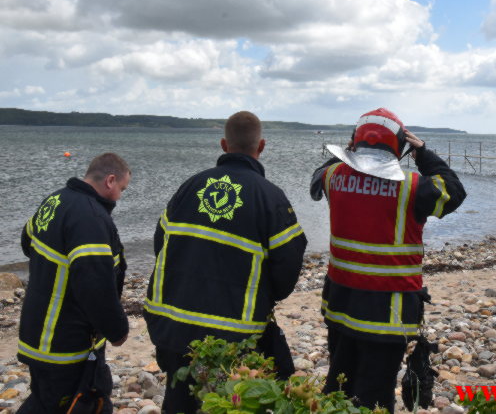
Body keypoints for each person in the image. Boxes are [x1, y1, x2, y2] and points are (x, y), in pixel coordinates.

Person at [144, 111, 307, 414]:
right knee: (233, 400)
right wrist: (263, 294)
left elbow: (160, 244)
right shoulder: (270, 198)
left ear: (223, 144)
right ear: (262, 147)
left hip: (172, 325)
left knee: (179, 398)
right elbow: (288, 266)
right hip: (233, 333)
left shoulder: (190, 187)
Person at [310, 108, 466, 412]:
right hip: (388, 314)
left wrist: (350, 150)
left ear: (355, 142)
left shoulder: (331, 177)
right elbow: (454, 191)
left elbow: (318, 177)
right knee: (376, 394)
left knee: (338, 383)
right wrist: (422, 152)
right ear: (399, 145)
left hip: (340, 305)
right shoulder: (413, 187)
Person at [17, 153, 131, 414]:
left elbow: (27, 243)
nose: (121, 196)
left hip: (37, 331)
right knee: (73, 403)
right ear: (110, 181)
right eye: (122, 189)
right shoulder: (90, 217)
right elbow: (95, 284)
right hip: (64, 341)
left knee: (48, 399)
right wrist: (117, 329)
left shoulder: (55, 199)